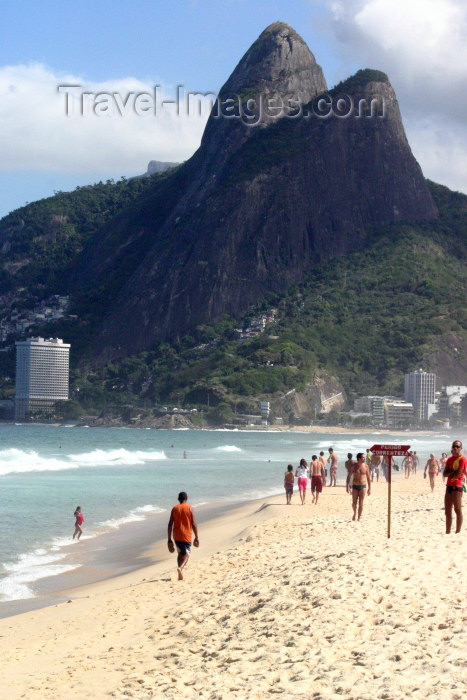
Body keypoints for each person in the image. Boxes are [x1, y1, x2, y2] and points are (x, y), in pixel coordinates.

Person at [167, 491, 199, 580]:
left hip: (176, 535)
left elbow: (170, 524)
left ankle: (179, 572)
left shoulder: (174, 509)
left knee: (180, 553)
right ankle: (180, 568)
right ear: (186, 498)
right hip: (186, 535)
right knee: (187, 555)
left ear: (178, 499)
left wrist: (169, 538)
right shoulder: (190, 508)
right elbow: (194, 523)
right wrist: (196, 536)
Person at [443, 441, 467, 534]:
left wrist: (451, 472)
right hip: (449, 486)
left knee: (457, 509)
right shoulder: (449, 459)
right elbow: (444, 474)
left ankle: (457, 532)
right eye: (454, 446)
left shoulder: (462, 459)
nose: (455, 448)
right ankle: (447, 532)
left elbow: (458, 475)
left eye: (457, 446)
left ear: (461, 448)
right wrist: (453, 472)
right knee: (447, 511)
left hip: (457, 486)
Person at [346, 453, 371, 521]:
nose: (364, 458)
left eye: (364, 457)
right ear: (359, 458)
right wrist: (347, 486)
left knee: (361, 503)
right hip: (355, 486)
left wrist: (369, 488)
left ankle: (359, 517)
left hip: (363, 486)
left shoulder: (366, 466)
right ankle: (354, 513)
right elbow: (349, 476)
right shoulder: (354, 466)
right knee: (354, 503)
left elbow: (368, 478)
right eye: (363, 457)